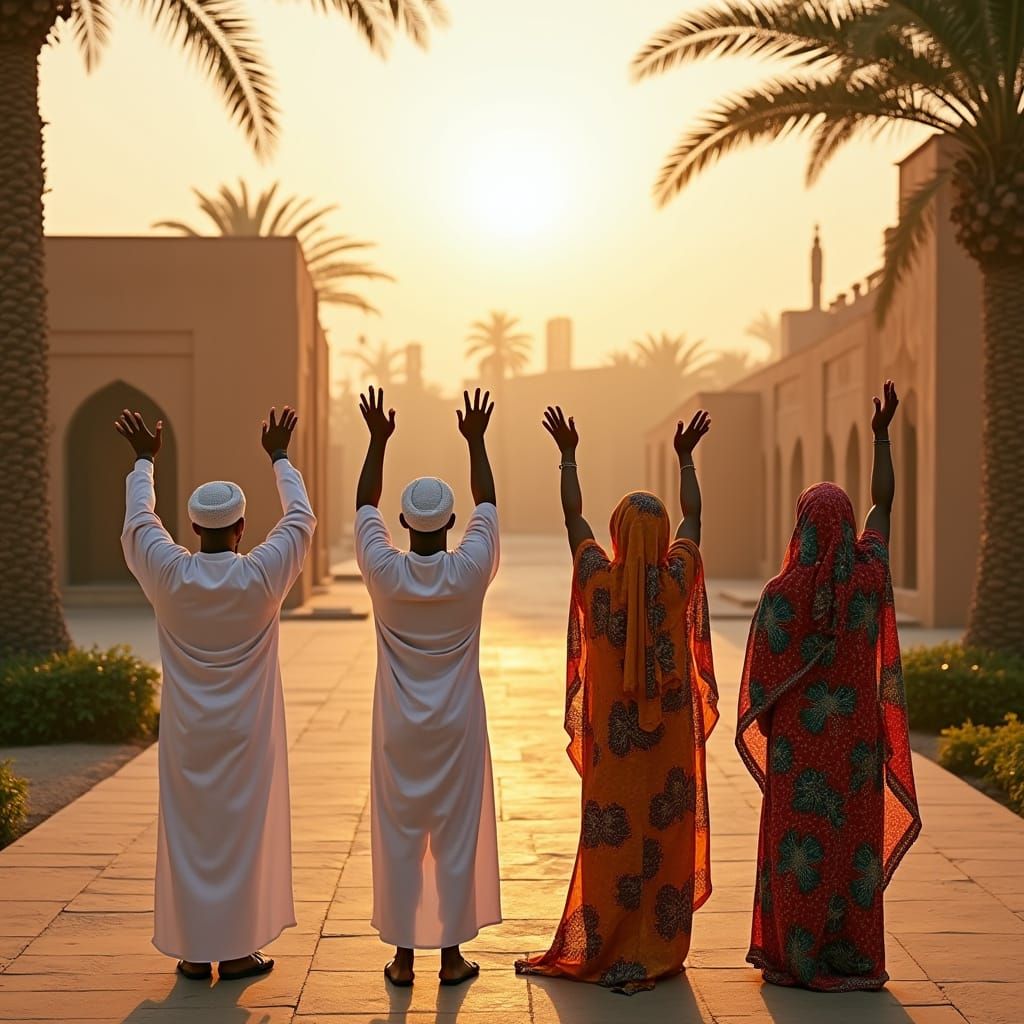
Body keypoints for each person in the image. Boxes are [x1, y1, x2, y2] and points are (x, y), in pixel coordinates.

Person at [515, 406, 719, 995]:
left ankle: (608, 940)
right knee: (665, 840)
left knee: (614, 843)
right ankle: (658, 946)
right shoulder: (678, 580)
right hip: (669, 752)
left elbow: (572, 516)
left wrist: (568, 453)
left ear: (617, 533)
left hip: (614, 750)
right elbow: (695, 516)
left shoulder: (598, 584)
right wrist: (686, 460)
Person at [116, 405, 316, 981]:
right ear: (241, 529)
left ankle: (193, 947)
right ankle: (234, 953)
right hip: (246, 734)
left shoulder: (169, 575)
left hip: (186, 734)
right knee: (240, 835)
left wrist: (143, 463)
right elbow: (300, 520)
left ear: (195, 528)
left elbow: (138, 523)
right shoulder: (260, 577)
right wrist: (279, 458)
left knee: (191, 835)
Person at [736, 380, 922, 992]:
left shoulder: (781, 595)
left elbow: (761, 683)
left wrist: (779, 719)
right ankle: (848, 953)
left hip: (799, 749)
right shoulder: (869, 577)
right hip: (857, 746)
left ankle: (797, 952)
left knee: (801, 849)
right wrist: (881, 434)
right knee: (851, 849)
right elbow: (884, 506)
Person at [354, 386, 501, 987]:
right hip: (458, 726)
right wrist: (477, 441)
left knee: (401, 836)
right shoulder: (468, 572)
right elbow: (488, 502)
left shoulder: (384, 573)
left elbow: (364, 505)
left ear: (402, 525)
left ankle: (403, 958)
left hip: (399, 730)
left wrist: (376, 440)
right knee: (455, 834)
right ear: (450, 525)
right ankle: (449, 958)